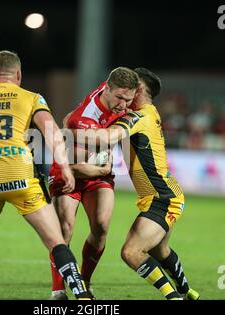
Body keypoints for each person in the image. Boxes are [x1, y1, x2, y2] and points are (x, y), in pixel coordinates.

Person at [0, 50, 92, 300]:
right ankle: (81, 294)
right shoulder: (31, 98)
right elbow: (51, 132)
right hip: (22, 179)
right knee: (56, 241)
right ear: (18, 74)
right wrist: (66, 167)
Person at [74, 67, 200, 300]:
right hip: (164, 194)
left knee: (131, 252)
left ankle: (173, 297)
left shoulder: (138, 116)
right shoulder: (150, 113)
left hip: (162, 198)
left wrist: (66, 133)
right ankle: (188, 293)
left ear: (139, 90)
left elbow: (108, 136)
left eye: (132, 87)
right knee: (160, 250)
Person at [48, 67, 139, 300]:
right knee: (64, 228)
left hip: (97, 173)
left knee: (101, 227)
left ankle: (85, 281)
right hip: (70, 171)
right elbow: (74, 167)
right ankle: (58, 290)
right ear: (107, 89)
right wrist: (102, 168)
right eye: (119, 98)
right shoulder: (84, 121)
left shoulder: (112, 89)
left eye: (128, 100)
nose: (123, 105)